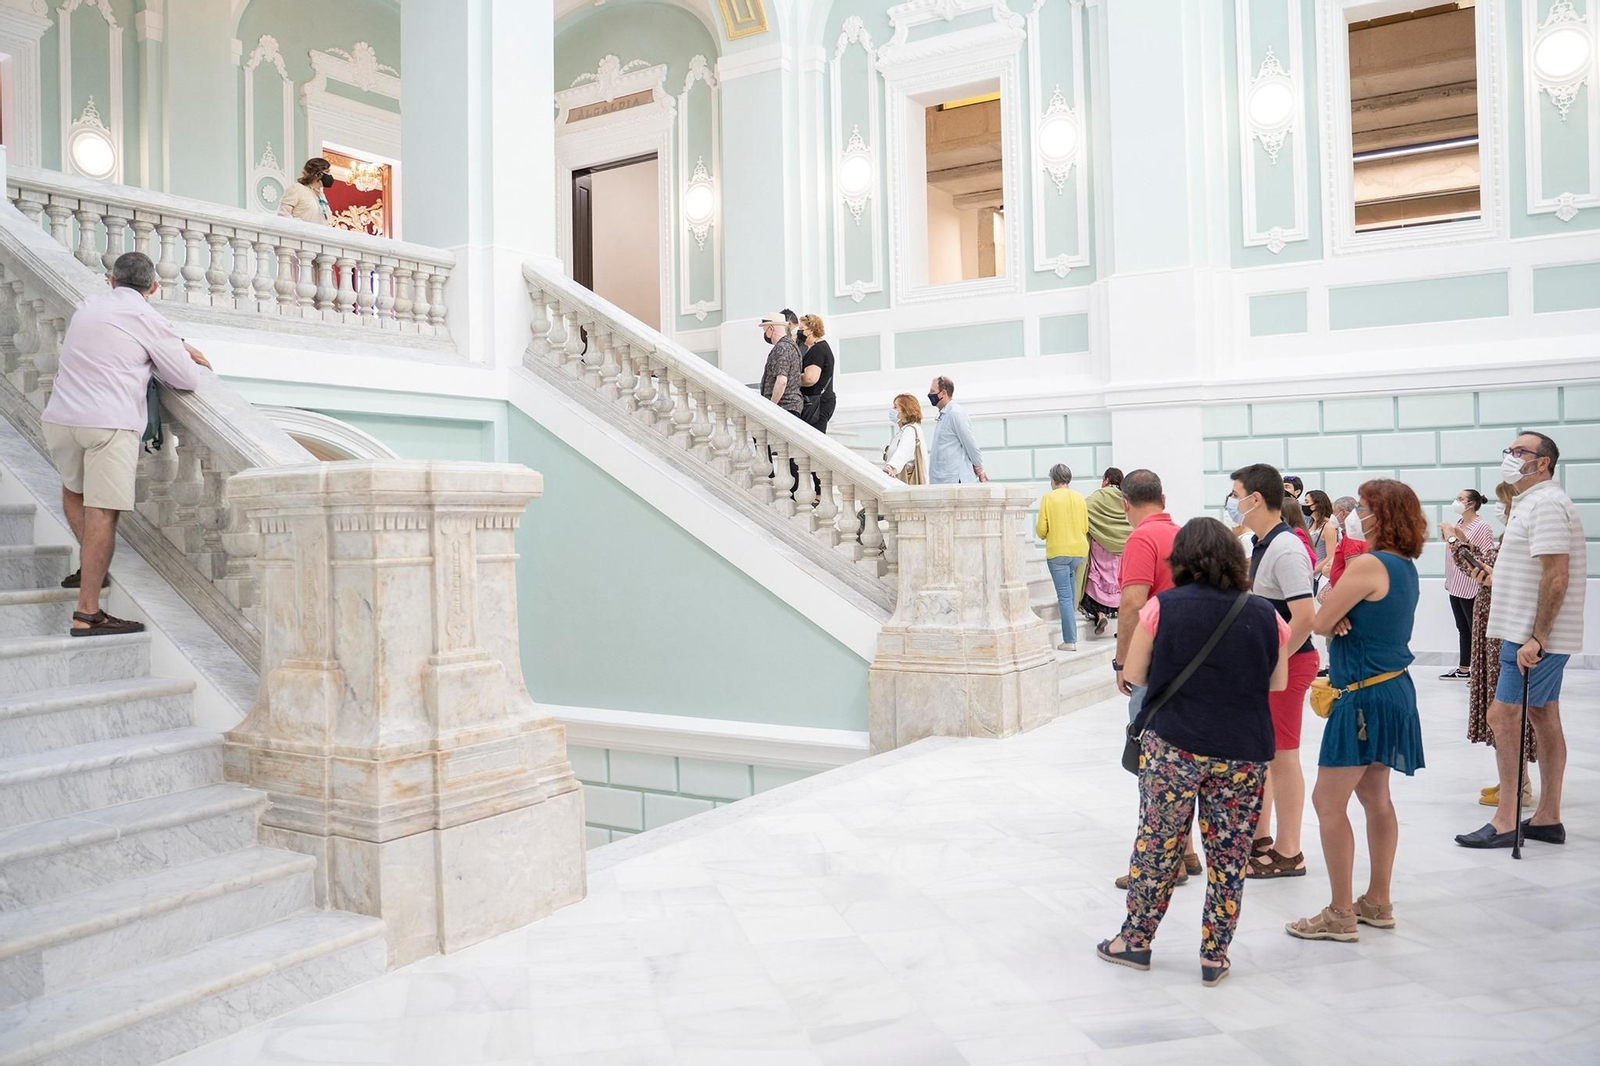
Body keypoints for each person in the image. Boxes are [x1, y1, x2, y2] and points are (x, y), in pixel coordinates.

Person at [1096, 517, 1289, 986]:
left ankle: (1135, 941)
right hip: (1243, 751)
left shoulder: (1162, 607)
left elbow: (1136, 676)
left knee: (1157, 844)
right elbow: (1278, 682)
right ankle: (1213, 955)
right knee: (1229, 855)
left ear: (1180, 560)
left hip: (1174, 748)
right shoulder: (1265, 614)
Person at [40, 252, 211, 636]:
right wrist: (177, 345)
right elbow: (186, 380)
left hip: (61, 417)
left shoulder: (88, 304)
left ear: (111, 280)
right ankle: (87, 613)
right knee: (102, 512)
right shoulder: (150, 319)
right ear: (153, 287)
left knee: (73, 489)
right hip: (109, 424)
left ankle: (91, 568)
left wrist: (172, 340)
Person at [1287, 480, 1426, 942]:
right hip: (1393, 689)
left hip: (1363, 695)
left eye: (1364, 508)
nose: (1356, 514)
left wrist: (1331, 605)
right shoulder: (1404, 565)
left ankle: (1340, 912)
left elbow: (1321, 621)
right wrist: (1336, 608)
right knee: (1376, 797)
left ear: (1382, 516)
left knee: (1328, 802)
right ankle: (1378, 901)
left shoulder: (1368, 563)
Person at [1457, 432, 1585, 849]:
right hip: (1527, 633)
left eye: (1518, 452)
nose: (1509, 458)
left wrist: (1538, 637)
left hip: (1531, 639)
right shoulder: (1532, 503)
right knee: (1543, 716)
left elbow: (1556, 574)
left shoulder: (1546, 503)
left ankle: (1506, 819)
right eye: (1508, 452)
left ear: (1543, 462)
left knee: (1503, 716)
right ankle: (1547, 818)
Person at [1230, 465, 1319, 880]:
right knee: (1266, 756)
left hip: (1288, 664)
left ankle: (1290, 851)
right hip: (1271, 664)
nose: (1233, 503)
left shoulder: (1285, 548)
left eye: (1236, 494)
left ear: (1255, 499)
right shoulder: (1264, 543)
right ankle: (1261, 839)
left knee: (1283, 757)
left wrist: (1275, 659)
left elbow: (1304, 615)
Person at [1111, 469, 1198, 887]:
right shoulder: (1182, 535)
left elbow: (1131, 603)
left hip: (1156, 662)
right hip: (1188, 663)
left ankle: (1165, 862)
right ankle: (1187, 850)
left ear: (1125, 504)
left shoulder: (1141, 539)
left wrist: (1122, 660)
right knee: (1181, 760)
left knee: (1154, 767)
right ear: (1163, 497)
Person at [1453, 482, 1535, 808]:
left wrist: (1488, 573)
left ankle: (1520, 785)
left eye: (1504, 504)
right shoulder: (1507, 539)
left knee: (1509, 710)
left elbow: (1505, 575)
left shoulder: (1520, 540)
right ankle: (1511, 781)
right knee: (1497, 708)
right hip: (1491, 623)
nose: (1500, 510)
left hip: (1506, 628)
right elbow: (1482, 566)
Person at [1438, 489, 1496, 680]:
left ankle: (1480, 673)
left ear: (1471, 504)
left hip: (1471, 585)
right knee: (1462, 628)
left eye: (1460, 499)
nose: (1456, 501)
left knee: (1475, 630)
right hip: (1455, 583)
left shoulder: (1482, 527)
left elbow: (1485, 555)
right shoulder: (1460, 523)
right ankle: (1464, 669)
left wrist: (1461, 539)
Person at [1037, 465, 1089, 652]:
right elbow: (1084, 527)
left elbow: (1041, 530)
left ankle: (1070, 640)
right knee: (1070, 594)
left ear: (1053, 479)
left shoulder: (1048, 498)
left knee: (1065, 597)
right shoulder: (1079, 498)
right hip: (1078, 552)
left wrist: (1046, 534)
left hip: (1058, 553)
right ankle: (1071, 634)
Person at [1082, 468, 1131, 637]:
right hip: (1121, 547)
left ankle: (1100, 614)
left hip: (1101, 544)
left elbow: (1084, 507)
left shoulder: (1100, 495)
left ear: (1107, 479)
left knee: (1096, 579)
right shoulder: (1125, 497)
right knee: (1117, 583)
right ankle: (1120, 625)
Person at [926, 376, 986, 484]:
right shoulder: (943, 415)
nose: (930, 395)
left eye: (932, 391)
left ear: (943, 393)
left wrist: (979, 468)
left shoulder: (955, 413)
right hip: (942, 482)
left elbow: (970, 443)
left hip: (954, 481)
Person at [797, 314, 836, 434]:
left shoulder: (817, 350)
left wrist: (792, 378)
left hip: (815, 404)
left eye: (801, 329)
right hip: (820, 402)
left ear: (811, 330)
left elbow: (810, 378)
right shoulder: (822, 347)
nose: (799, 332)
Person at [758, 314, 803, 417]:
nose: (765, 334)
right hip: (790, 406)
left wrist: (771, 406)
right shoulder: (791, 345)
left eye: (765, 330)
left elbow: (781, 381)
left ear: (770, 329)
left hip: (784, 408)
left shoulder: (782, 348)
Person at [882, 394, 927, 485]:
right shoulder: (904, 431)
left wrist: (891, 467)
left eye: (895, 407)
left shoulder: (910, 430)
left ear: (906, 411)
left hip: (906, 482)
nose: (892, 410)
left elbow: (903, 451)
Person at [278, 157, 334, 224]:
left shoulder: (322, 195)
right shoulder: (297, 188)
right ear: (317, 174)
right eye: (327, 172)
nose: (330, 175)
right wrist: (302, 227)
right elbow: (283, 214)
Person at [1328, 495, 1370, 587]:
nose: (1332, 517)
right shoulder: (1359, 532)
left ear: (1343, 513)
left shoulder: (1352, 536)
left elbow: (1351, 570)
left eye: (1334, 513)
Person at [1307, 490, 1337, 589]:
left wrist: (1313, 571)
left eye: (1307, 502)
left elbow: (1330, 556)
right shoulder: (1310, 524)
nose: (1304, 506)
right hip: (1308, 573)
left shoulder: (1328, 526)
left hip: (1319, 576)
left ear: (1317, 504)